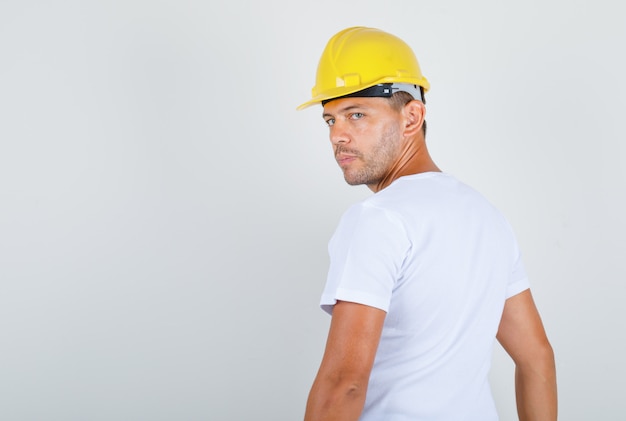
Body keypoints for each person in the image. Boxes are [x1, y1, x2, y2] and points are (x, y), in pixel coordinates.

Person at [297, 27, 557, 421]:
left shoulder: (377, 219)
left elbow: (344, 385)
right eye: (330, 120)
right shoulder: (486, 216)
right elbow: (537, 358)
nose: (339, 136)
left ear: (411, 116)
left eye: (356, 115)